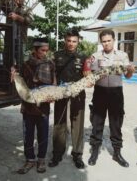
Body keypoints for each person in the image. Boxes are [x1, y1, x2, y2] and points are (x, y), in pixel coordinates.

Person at [86, 29, 134, 168]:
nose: (106, 43)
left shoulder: (122, 55)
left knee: (116, 124)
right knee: (97, 122)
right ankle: (94, 152)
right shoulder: (95, 56)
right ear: (101, 42)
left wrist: (130, 70)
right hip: (99, 92)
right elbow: (91, 76)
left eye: (108, 40)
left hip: (116, 93)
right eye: (104, 41)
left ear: (114, 40)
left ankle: (117, 153)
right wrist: (90, 79)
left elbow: (128, 76)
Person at [14, 37, 56, 174]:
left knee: (43, 134)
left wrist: (52, 95)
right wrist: (13, 77)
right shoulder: (25, 65)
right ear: (35, 50)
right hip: (28, 107)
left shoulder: (50, 64)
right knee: (28, 135)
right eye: (42, 50)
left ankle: (41, 160)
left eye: (46, 50)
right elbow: (20, 84)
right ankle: (30, 160)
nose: (45, 53)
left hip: (43, 107)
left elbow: (54, 83)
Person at [48, 29, 87, 169]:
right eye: (69, 41)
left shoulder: (83, 57)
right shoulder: (56, 55)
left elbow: (87, 75)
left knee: (77, 124)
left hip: (78, 94)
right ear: (65, 40)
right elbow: (52, 75)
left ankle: (77, 155)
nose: (71, 44)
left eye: (74, 41)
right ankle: (57, 154)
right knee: (59, 123)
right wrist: (52, 90)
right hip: (61, 93)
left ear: (78, 41)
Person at [1, 0, 33, 67]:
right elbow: (2, 2)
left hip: (21, 40)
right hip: (9, 39)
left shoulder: (27, 9)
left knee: (21, 64)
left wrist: (17, 17)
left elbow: (29, 21)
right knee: (7, 63)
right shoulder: (9, 6)